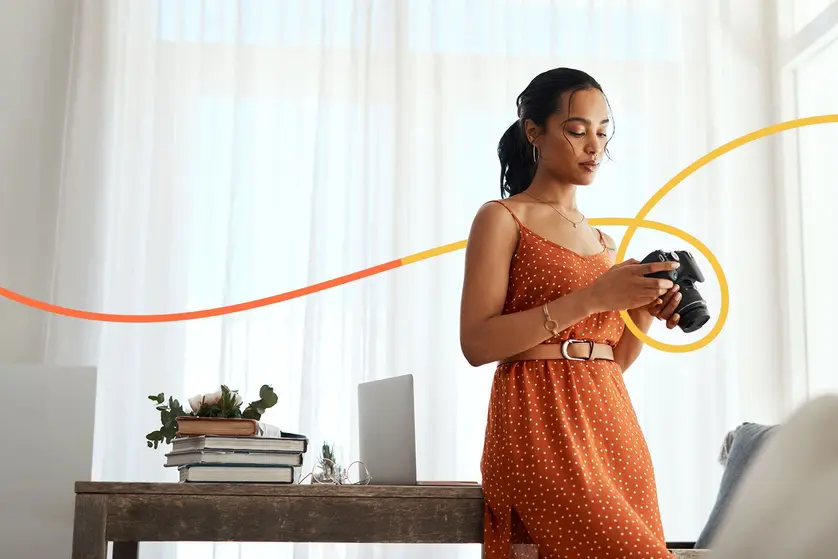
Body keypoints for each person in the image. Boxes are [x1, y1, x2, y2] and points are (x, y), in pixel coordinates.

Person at [458, 67, 682, 558]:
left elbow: (612, 361)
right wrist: (594, 297)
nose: (594, 146)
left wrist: (644, 308)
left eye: (603, 132)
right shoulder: (502, 217)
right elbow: (476, 343)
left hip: (612, 423)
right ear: (533, 131)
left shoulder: (604, 243)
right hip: (538, 423)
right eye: (577, 131)